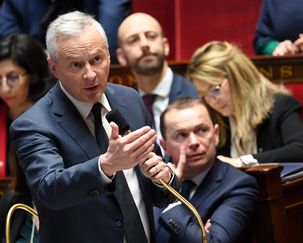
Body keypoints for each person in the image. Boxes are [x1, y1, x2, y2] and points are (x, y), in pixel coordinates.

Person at [9, 11, 178, 243]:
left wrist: (164, 178)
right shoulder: (32, 125)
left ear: (109, 55)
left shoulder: (130, 99)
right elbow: (50, 190)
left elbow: (157, 185)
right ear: (54, 67)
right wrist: (105, 166)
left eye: (97, 60)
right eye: (76, 65)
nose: (90, 75)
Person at [187, 41, 303, 242]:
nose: (211, 100)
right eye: (203, 95)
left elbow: (300, 151)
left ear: (238, 77)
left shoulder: (281, 106)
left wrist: (241, 162)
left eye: (215, 89)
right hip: (253, 226)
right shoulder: (218, 121)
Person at [155, 98, 259, 242]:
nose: (194, 142)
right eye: (182, 135)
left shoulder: (238, 186)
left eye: (202, 130)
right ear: (164, 146)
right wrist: (196, 231)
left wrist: (171, 199)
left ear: (216, 134)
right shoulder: (154, 182)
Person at [0, 33, 55, 243]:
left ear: (32, 75)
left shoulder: (51, 117)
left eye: (12, 77)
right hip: (10, 208)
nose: (4, 88)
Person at [116, 12, 198, 136]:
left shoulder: (197, 94)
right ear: (121, 57)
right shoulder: (121, 106)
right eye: (133, 40)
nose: (144, 45)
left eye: (151, 36)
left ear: (166, 46)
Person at [0, 0, 131, 63]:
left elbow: (110, 42)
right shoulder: (16, 3)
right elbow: (12, 46)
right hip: (41, 74)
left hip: (94, 60)